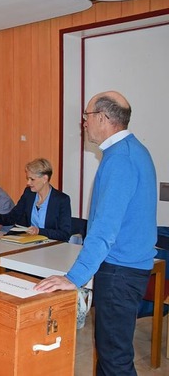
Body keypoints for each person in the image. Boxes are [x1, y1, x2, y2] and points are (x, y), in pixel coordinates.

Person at [35, 92, 157, 375]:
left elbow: (104, 230)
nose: (84, 122)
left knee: (115, 359)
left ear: (103, 118)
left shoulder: (120, 160)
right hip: (126, 269)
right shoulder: (132, 150)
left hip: (119, 271)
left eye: (86, 116)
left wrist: (73, 278)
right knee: (111, 355)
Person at [0, 158, 71, 241]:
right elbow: (13, 216)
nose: (28, 183)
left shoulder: (62, 200)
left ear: (45, 179)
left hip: (53, 247)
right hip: (30, 244)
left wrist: (39, 231)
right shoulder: (29, 194)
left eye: (32, 179)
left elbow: (64, 234)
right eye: (28, 179)